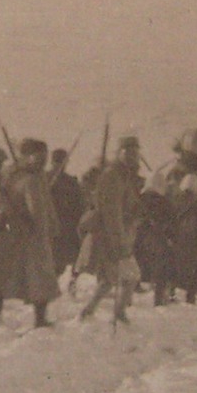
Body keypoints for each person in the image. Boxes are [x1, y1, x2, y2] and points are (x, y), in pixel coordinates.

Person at [0, 138, 62, 330]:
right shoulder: (12, 178)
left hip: (33, 235)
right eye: (38, 157)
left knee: (38, 280)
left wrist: (52, 224)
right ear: (26, 157)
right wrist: (8, 213)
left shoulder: (36, 177)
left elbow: (46, 204)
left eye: (45, 158)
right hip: (18, 235)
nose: (43, 161)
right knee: (3, 279)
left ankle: (40, 318)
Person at [79, 136, 144, 324]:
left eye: (135, 152)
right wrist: (119, 240)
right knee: (129, 276)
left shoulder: (124, 175)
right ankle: (117, 313)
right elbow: (111, 212)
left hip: (118, 233)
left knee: (111, 278)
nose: (133, 156)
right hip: (109, 234)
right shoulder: (113, 176)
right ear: (120, 153)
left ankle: (90, 311)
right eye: (129, 152)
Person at [48, 147, 86, 284]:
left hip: (68, 226)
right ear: (52, 162)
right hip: (50, 226)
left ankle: (72, 283)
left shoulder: (71, 182)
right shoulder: (44, 179)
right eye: (57, 161)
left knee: (75, 257)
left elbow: (80, 204)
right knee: (54, 262)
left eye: (62, 161)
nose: (59, 164)